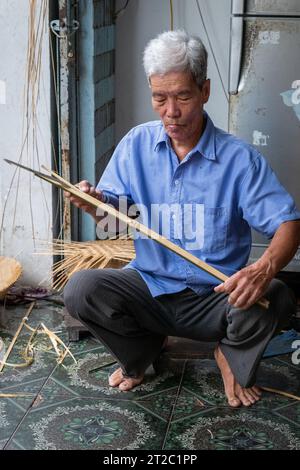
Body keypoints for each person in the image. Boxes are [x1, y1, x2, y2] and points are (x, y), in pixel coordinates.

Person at [64, 30, 300, 408]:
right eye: (160, 98)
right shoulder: (135, 146)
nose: (170, 112)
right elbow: (118, 227)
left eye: (183, 97)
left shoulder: (239, 160)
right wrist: (97, 206)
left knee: (277, 296)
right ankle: (142, 352)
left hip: (216, 300)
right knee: (81, 289)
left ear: (204, 91)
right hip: (150, 289)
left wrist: (263, 268)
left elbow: (289, 224)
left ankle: (228, 353)